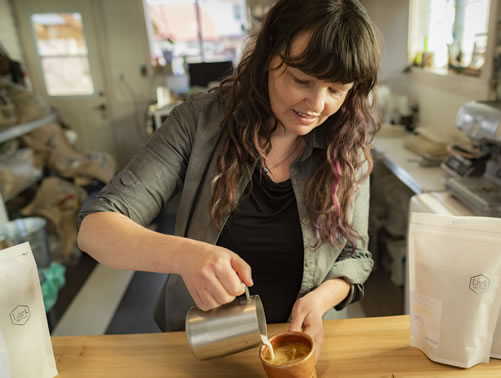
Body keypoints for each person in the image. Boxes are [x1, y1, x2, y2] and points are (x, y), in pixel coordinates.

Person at [77, 0, 380, 359]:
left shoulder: (347, 150)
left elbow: (356, 254)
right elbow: (95, 230)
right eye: (302, 80)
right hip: (197, 344)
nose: (316, 104)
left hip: (294, 344)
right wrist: (185, 256)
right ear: (270, 55)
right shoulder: (199, 124)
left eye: (336, 90)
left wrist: (321, 298)